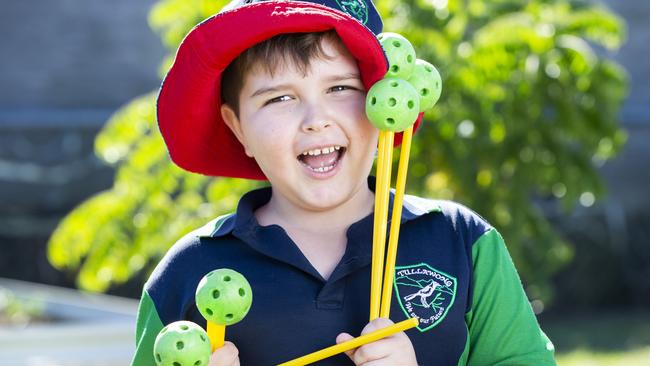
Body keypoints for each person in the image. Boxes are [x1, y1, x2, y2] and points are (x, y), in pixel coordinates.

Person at [132, 0, 557, 365]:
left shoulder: (462, 241)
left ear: (383, 102)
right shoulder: (188, 272)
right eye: (279, 98)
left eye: (340, 87)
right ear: (236, 126)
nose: (316, 120)